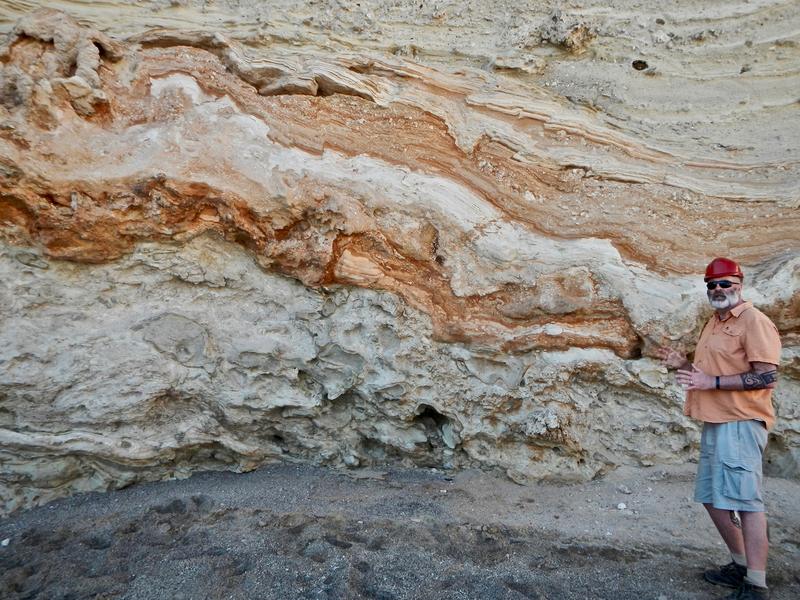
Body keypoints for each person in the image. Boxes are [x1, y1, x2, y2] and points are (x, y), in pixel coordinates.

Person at [656, 257, 781, 600]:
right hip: (715, 420)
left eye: (725, 283)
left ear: (739, 284)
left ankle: (756, 583)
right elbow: (709, 373)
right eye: (712, 284)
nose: (718, 290)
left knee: (746, 502)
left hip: (740, 422)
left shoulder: (754, 321)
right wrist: (684, 364)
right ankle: (740, 565)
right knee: (713, 498)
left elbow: (767, 375)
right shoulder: (715, 322)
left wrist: (710, 380)